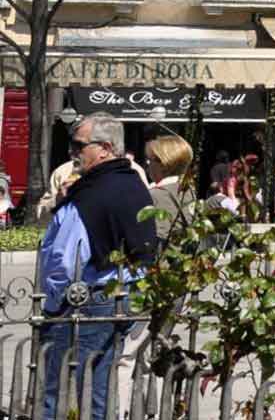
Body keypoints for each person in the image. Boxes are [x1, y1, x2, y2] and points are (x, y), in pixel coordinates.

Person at [40, 114, 159, 420]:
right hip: (120, 294)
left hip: (85, 299)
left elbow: (64, 261)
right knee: (99, 388)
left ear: (105, 147)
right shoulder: (131, 182)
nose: (72, 151)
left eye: (79, 145)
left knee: (55, 389)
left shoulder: (92, 194)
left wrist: (52, 304)